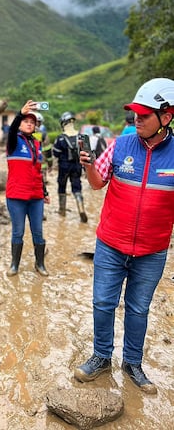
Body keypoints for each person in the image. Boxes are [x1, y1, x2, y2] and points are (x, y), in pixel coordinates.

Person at [74, 78, 174, 395]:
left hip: (152, 249)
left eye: (144, 115)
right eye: (135, 114)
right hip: (111, 244)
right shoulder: (121, 144)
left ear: (167, 117)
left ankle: (132, 363)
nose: (137, 119)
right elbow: (96, 183)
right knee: (103, 303)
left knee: (139, 309)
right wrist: (88, 166)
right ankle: (101, 357)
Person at [5, 100, 50, 277]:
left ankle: (40, 264)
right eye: (26, 121)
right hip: (16, 196)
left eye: (32, 122)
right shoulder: (13, 141)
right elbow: (11, 129)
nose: (29, 124)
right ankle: (14, 265)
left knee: (38, 232)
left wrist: (44, 192)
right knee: (18, 232)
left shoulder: (37, 145)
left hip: (36, 197)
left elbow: (38, 171)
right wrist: (19, 114)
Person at [52, 111, 87, 222]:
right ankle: (81, 209)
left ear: (63, 123)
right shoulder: (82, 137)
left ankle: (62, 211)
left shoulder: (60, 138)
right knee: (77, 187)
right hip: (77, 166)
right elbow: (87, 155)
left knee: (62, 187)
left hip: (64, 166)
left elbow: (56, 154)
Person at [32, 112, 53, 183]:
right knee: (41, 186)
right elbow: (48, 152)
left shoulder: (23, 134)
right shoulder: (43, 135)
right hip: (41, 166)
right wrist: (50, 164)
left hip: (28, 166)